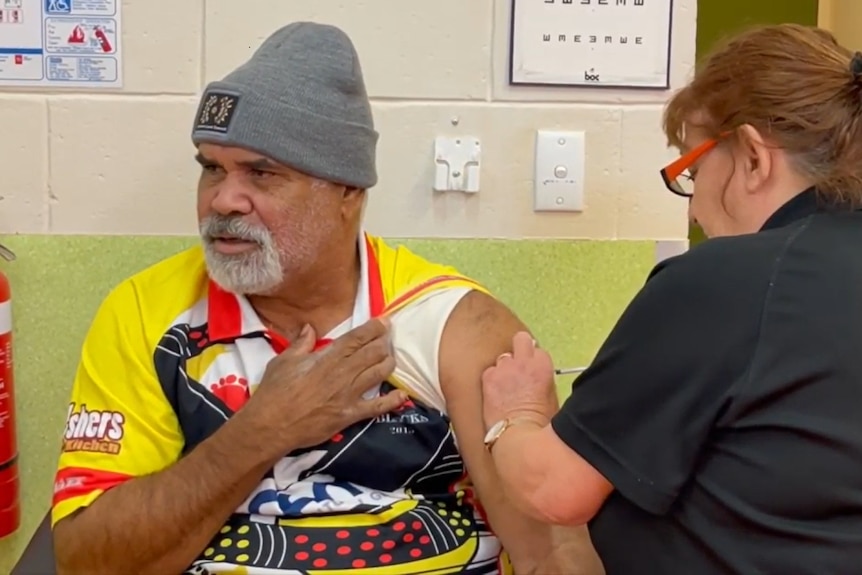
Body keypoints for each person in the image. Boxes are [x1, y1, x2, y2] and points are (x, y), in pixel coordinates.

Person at [49, 21, 602, 575]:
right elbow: (87, 561)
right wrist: (262, 432)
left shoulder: (452, 324)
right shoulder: (146, 315)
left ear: (347, 192)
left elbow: (550, 554)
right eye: (211, 168)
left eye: (262, 173)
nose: (223, 199)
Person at [480, 23, 862, 575]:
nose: (693, 209)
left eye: (694, 168)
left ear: (753, 156)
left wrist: (515, 415)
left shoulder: (727, 281)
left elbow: (553, 488)